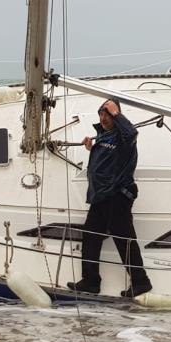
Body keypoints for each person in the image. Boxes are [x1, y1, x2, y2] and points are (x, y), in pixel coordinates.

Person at [67, 98, 152, 297]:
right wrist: (92, 148)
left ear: (116, 115)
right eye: (101, 113)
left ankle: (141, 282)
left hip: (117, 196)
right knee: (90, 236)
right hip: (101, 196)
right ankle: (91, 281)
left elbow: (131, 134)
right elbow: (106, 160)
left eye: (107, 113)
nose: (103, 117)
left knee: (124, 239)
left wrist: (117, 113)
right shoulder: (104, 137)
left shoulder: (124, 138)